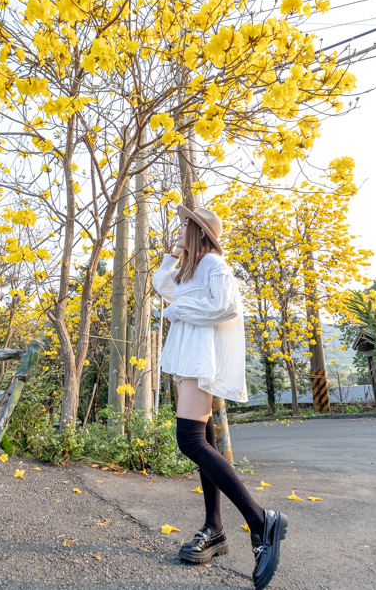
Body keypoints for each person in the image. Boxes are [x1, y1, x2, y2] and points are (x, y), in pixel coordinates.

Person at [153, 205, 287, 590]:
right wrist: (172, 257)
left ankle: (262, 521)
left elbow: (227, 305)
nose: (178, 229)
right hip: (186, 357)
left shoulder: (214, 264)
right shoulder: (190, 268)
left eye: (184, 226)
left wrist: (178, 309)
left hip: (200, 359)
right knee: (205, 436)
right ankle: (214, 529)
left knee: (190, 440)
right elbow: (163, 287)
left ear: (200, 232)